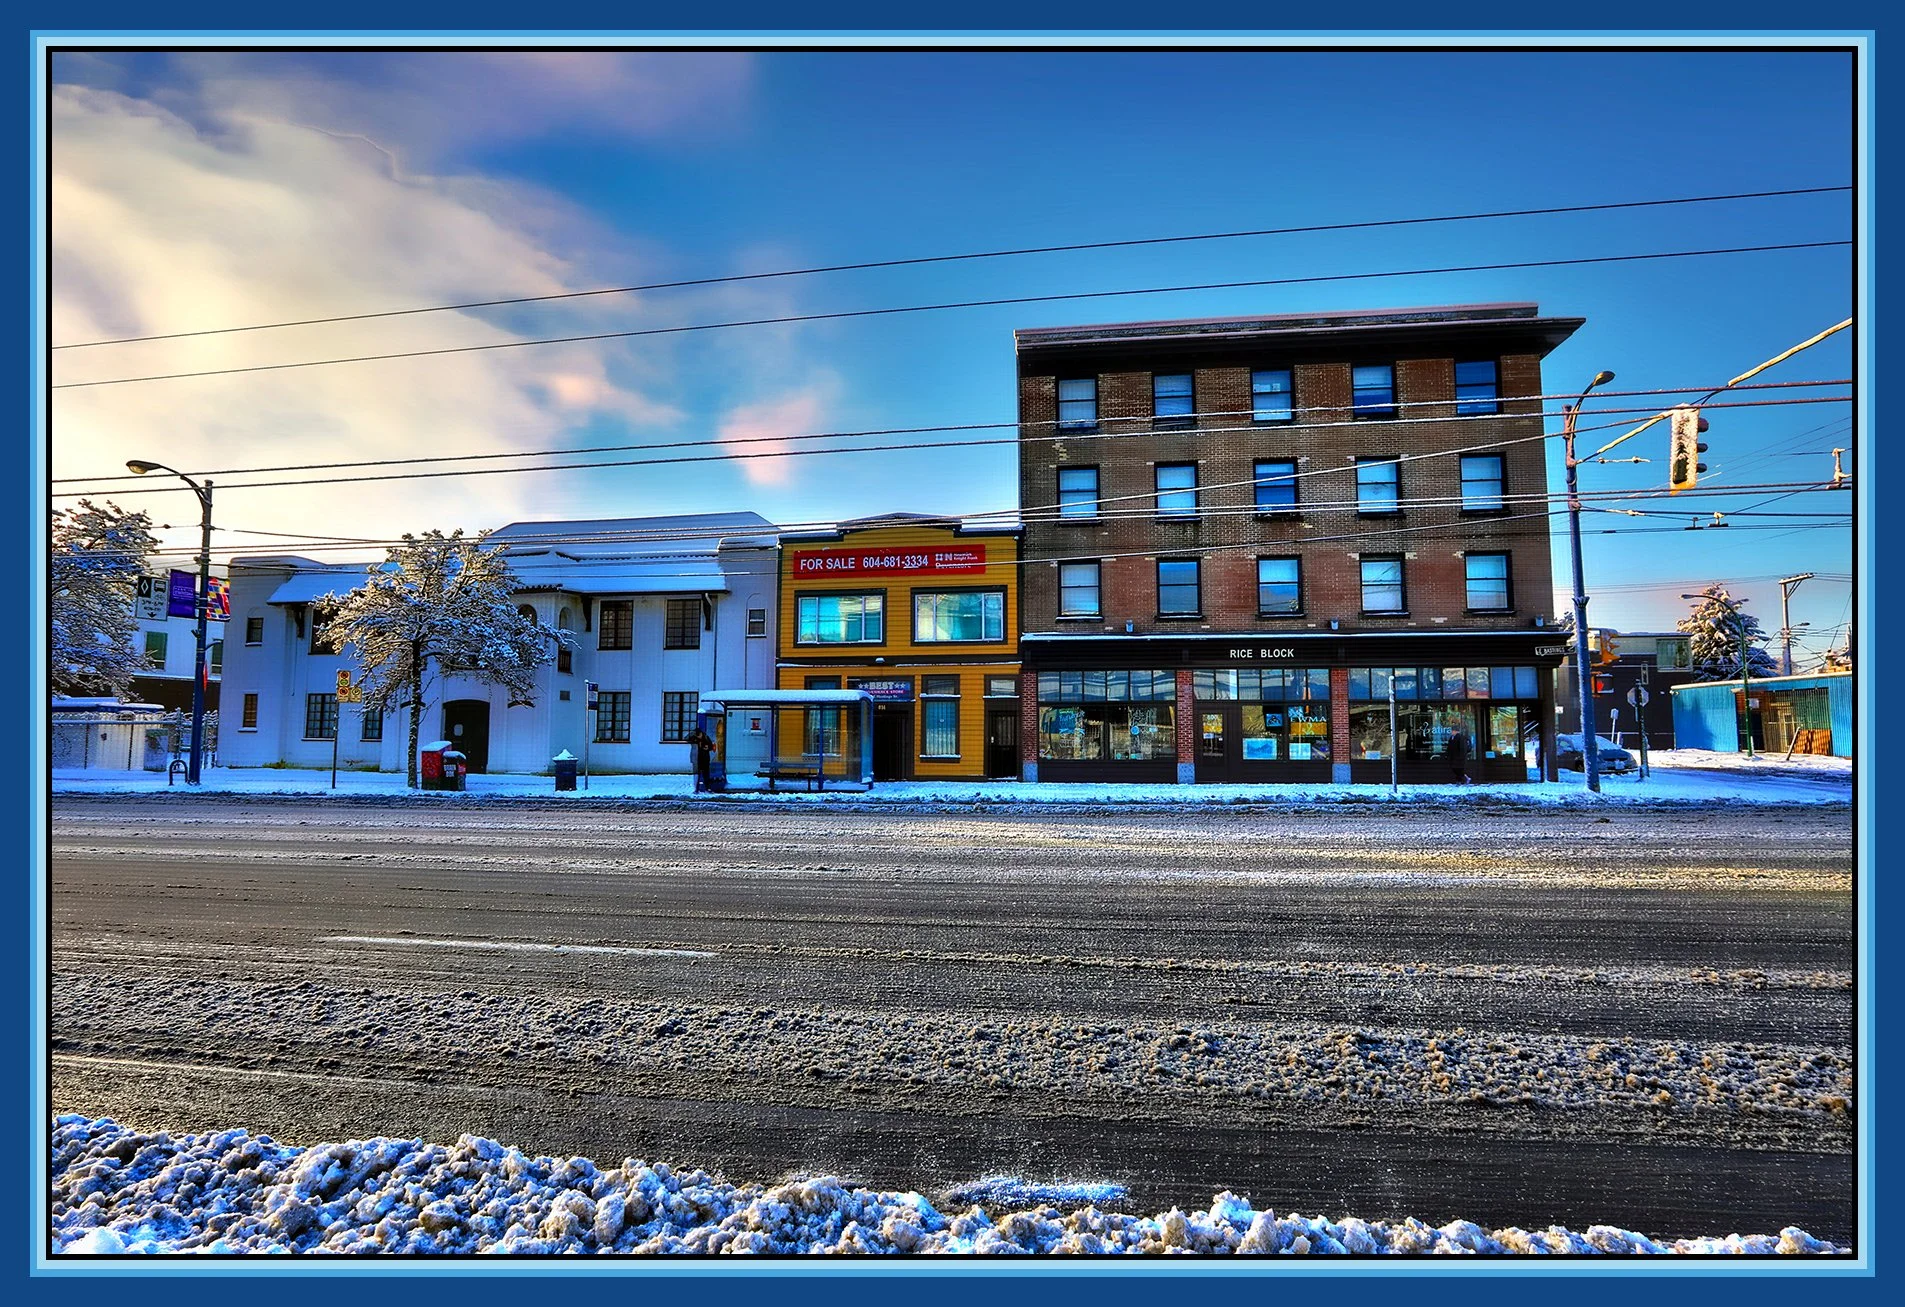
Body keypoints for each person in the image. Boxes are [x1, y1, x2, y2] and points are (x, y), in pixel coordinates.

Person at [689, 727, 715, 793]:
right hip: (697, 759)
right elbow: (686, 738)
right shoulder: (694, 738)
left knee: (706, 774)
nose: (699, 736)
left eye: (699, 735)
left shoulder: (706, 737)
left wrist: (708, 748)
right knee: (697, 775)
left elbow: (711, 746)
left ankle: (708, 788)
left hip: (705, 759)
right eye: (697, 735)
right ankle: (696, 789)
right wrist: (693, 735)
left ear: (701, 733)